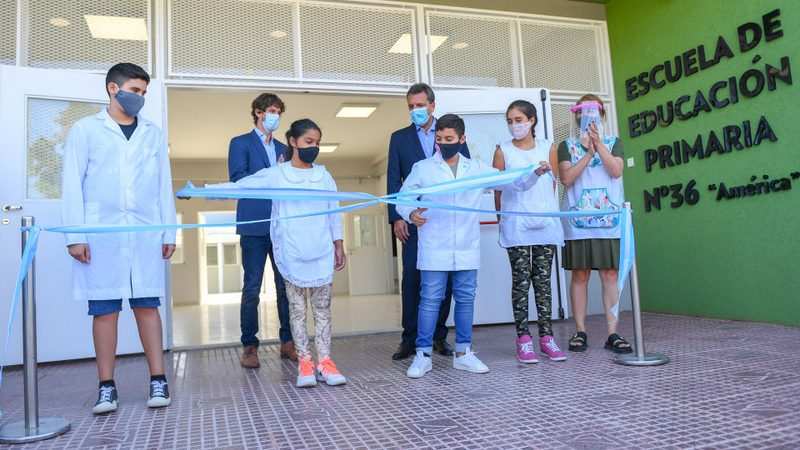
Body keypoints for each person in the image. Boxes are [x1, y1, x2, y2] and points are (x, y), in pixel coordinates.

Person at [61, 63, 176, 414]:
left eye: (143, 92)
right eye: (134, 90)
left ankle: (158, 380)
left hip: (144, 231)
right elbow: (72, 184)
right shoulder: (85, 130)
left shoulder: (153, 134)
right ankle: (106, 386)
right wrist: (75, 236)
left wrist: (167, 230)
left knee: (147, 304)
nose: (139, 97)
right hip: (101, 234)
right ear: (113, 88)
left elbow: (162, 185)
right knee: (105, 308)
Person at [397, 114, 548, 379]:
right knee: (430, 301)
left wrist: (533, 173)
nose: (444, 143)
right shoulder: (423, 168)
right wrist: (411, 214)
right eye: (440, 139)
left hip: (466, 246)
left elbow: (512, 182)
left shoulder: (476, 169)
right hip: (434, 246)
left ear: (462, 139)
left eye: (450, 139)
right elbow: (403, 197)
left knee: (466, 300)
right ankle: (423, 355)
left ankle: (464, 353)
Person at [208, 119, 347, 388]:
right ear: (293, 142)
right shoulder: (277, 174)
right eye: (309, 142)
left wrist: (338, 243)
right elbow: (242, 186)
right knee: (296, 311)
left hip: (320, 251)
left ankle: (325, 362)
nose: (314, 147)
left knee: (323, 311)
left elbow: (334, 211)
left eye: (317, 142)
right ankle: (305, 363)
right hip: (292, 252)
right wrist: (202, 192)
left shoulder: (324, 176)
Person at [386, 83, 470, 361]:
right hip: (412, 220)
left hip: (444, 219)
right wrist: (396, 217)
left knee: (444, 278)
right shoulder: (399, 138)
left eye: (420, 105)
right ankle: (409, 339)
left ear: (432, 105)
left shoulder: (450, 133)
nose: (415, 110)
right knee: (412, 278)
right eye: (411, 106)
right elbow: (393, 179)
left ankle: (438, 337)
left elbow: (467, 171)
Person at [493, 100, 567, 363]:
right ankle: (523, 340)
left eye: (519, 119)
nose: (515, 125)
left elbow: (554, 185)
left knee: (543, 283)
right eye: (510, 121)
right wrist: (502, 220)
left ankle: (547, 338)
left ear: (532, 120)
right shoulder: (502, 151)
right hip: (517, 226)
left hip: (545, 224)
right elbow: (498, 189)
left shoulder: (550, 147)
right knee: (521, 282)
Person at [557, 94, 632, 354]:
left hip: (609, 221)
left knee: (610, 274)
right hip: (578, 222)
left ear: (601, 115)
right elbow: (566, 178)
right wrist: (588, 153)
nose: (588, 117)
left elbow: (616, 170)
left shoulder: (615, 143)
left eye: (593, 112)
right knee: (580, 274)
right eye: (583, 112)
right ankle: (580, 331)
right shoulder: (566, 145)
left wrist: (599, 145)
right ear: (576, 115)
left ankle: (613, 332)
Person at [228, 93, 296, 368]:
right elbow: (238, 179)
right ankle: (249, 345)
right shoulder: (240, 143)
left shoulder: (284, 147)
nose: (275, 116)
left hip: (281, 226)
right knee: (252, 286)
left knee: (285, 286)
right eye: (270, 110)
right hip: (253, 224)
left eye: (278, 111)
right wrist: (272, 175)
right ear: (257, 112)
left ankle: (288, 342)